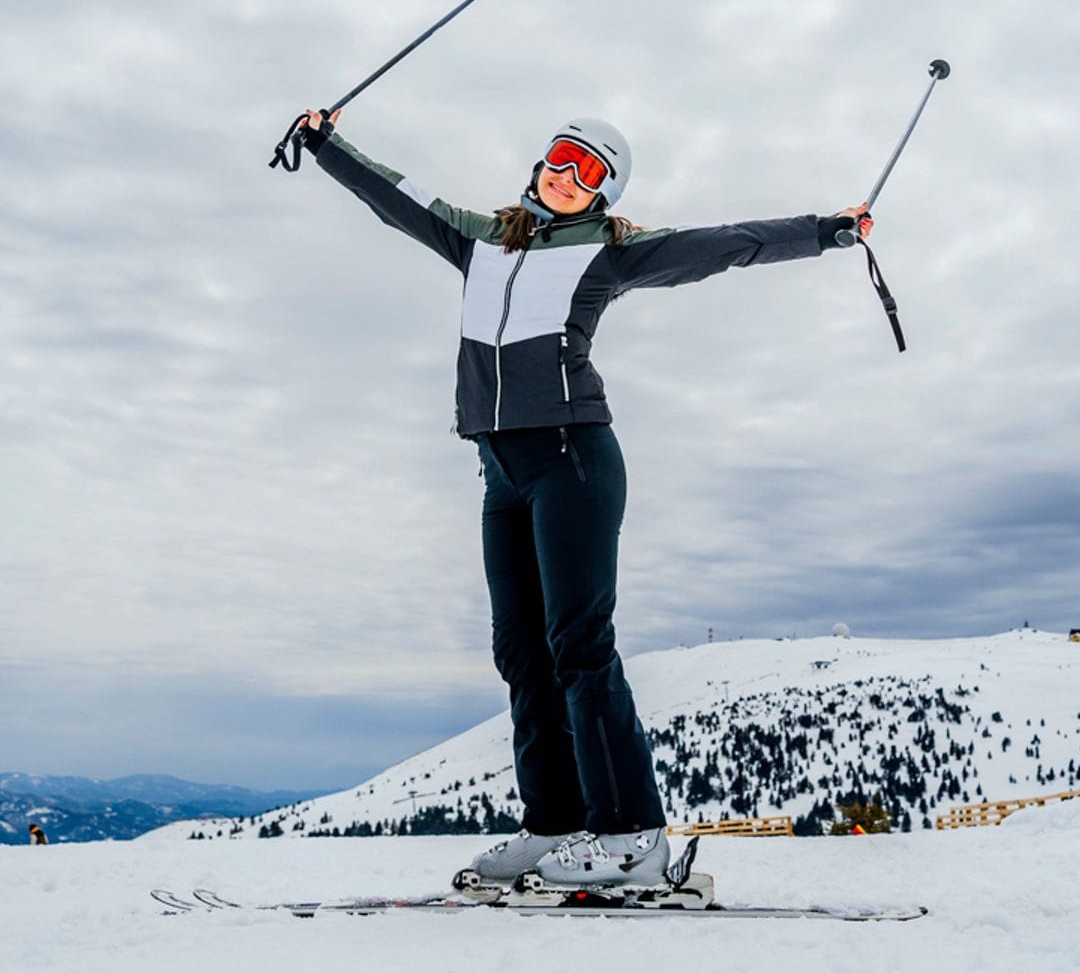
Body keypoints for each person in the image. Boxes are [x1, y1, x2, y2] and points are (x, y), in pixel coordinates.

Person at [297, 109, 872, 887]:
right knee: (521, 655)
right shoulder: (479, 239)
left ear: (604, 196)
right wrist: (325, 143)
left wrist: (825, 229)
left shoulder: (610, 252)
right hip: (500, 471)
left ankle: (633, 834)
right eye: (563, 159)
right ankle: (555, 824)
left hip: (573, 457)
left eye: (590, 172)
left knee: (579, 647)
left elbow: (729, 242)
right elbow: (399, 195)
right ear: (540, 162)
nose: (568, 177)